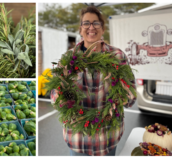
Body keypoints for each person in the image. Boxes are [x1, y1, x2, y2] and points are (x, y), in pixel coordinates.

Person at [52, 6, 136, 156]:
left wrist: (119, 99)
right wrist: (63, 98)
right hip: (78, 139)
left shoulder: (117, 56)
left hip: (107, 139)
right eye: (86, 23)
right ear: (80, 29)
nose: (91, 27)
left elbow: (131, 96)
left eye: (96, 23)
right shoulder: (67, 60)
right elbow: (54, 96)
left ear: (103, 29)